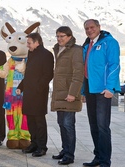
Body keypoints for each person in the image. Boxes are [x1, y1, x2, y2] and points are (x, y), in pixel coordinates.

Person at [82, 19, 120, 167]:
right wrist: (83, 91)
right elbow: (85, 69)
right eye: (86, 28)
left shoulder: (109, 42)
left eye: (92, 27)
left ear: (99, 27)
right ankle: (97, 157)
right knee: (93, 125)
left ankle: (105, 161)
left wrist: (110, 88)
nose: (89, 30)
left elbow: (114, 65)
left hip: (103, 90)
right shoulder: (87, 45)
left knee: (103, 126)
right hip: (90, 90)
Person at [16, 33, 54, 157]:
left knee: (39, 121)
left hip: (39, 94)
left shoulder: (47, 55)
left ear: (37, 42)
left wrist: (38, 88)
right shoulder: (31, 54)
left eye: (29, 43)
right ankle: (34, 143)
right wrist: (21, 87)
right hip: (29, 93)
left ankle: (42, 147)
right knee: (30, 120)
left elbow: (48, 74)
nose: (27, 45)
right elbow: (28, 74)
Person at [50, 26, 84, 165]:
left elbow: (78, 73)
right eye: (57, 36)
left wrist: (72, 93)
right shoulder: (58, 49)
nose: (59, 39)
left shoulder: (76, 50)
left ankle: (70, 155)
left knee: (68, 124)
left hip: (69, 94)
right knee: (61, 124)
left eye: (62, 36)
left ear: (69, 36)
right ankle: (65, 150)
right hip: (59, 93)